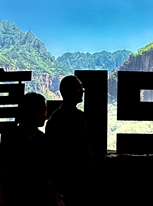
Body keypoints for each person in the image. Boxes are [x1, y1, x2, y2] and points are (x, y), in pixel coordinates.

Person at [0, 92, 60, 206]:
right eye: (42, 111)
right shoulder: (14, 141)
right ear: (30, 112)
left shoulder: (13, 139)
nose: (45, 115)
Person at [46, 75, 91, 206]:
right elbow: (52, 155)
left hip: (80, 178)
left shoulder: (61, 118)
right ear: (67, 91)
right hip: (66, 180)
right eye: (78, 87)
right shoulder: (57, 121)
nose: (82, 90)